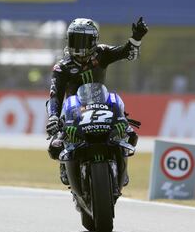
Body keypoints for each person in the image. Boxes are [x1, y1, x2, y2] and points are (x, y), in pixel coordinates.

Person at [45, 17, 148, 185]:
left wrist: (136, 37)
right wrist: (54, 118)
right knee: (55, 146)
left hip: (101, 105)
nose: (79, 46)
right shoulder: (61, 67)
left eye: (83, 40)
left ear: (93, 41)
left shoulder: (102, 53)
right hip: (74, 112)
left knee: (129, 134)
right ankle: (66, 165)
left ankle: (121, 164)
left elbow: (128, 53)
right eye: (74, 40)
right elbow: (55, 95)